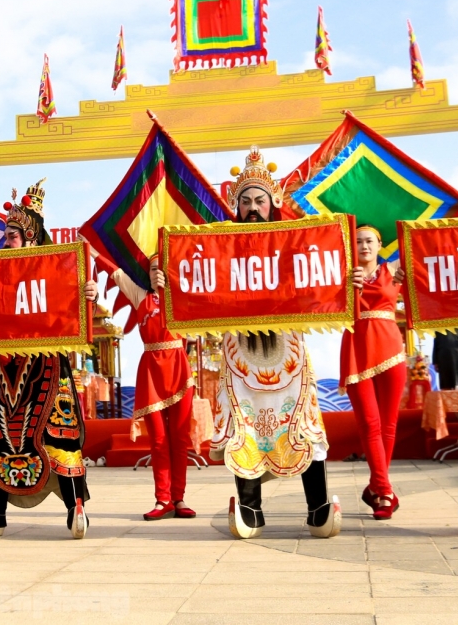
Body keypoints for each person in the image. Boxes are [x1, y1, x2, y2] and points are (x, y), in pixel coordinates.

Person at [209, 148, 340, 539]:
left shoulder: (293, 244)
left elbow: (318, 278)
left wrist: (342, 283)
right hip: (238, 354)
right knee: (243, 429)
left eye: (259, 201)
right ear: (237, 206)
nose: (252, 207)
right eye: (245, 201)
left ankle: (318, 508)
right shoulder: (221, 247)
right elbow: (200, 285)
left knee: (303, 425)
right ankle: (250, 509)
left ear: (272, 205)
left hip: (289, 351)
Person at [0, 180, 100, 539]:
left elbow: (80, 310)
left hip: (48, 366)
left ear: (32, 238)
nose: (6, 239)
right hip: (6, 367)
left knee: (58, 434)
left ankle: (76, 508)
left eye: (12, 234)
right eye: (6, 233)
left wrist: (88, 292)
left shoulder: (59, 272)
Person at [112, 256, 196, 521]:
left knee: (179, 439)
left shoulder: (181, 296)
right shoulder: (139, 296)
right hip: (151, 371)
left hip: (179, 370)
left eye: (162, 268)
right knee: (159, 441)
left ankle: (179, 498)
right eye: (152, 268)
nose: (157, 273)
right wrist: (89, 247)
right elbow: (113, 270)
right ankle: (163, 500)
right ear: (146, 273)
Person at [341, 225, 407, 520]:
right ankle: (383, 490)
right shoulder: (342, 273)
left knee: (388, 424)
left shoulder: (394, 271)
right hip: (356, 347)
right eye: (358, 242)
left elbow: (428, 251)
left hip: (391, 347)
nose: (364, 246)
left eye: (369, 241)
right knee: (369, 423)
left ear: (380, 245)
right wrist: (342, 284)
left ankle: (378, 488)